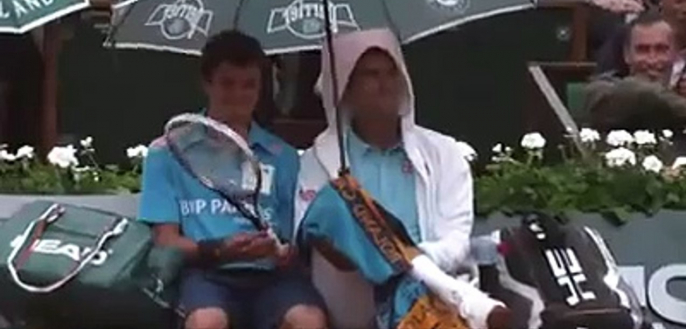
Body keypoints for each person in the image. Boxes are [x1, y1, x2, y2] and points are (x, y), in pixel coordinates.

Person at [294, 28, 510, 329]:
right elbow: (310, 231)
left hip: (427, 295)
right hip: (354, 297)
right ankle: (460, 296)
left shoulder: (444, 152)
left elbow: (456, 241)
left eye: (391, 73)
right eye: (371, 75)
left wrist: (406, 260)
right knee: (337, 203)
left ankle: (426, 280)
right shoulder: (317, 158)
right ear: (346, 87)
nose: (385, 84)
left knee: (406, 285)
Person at [138, 30, 328, 329]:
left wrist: (282, 251)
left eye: (249, 85)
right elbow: (165, 242)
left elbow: (296, 242)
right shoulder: (167, 152)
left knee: (308, 320)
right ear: (206, 83)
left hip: (273, 279)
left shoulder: (284, 156)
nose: (238, 96)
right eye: (227, 84)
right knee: (207, 322)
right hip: (204, 274)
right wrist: (218, 249)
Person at [584, 10, 686, 131]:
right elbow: (643, 94)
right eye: (642, 50)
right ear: (626, 54)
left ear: (675, 54)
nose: (651, 60)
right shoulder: (603, 91)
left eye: (661, 49)